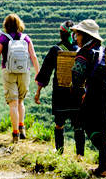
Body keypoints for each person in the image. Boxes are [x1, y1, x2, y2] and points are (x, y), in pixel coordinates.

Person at [70, 19, 106, 176]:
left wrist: (78, 91)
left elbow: (77, 76)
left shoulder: (85, 52)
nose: (75, 38)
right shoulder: (103, 51)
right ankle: (102, 169)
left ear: (84, 36)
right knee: (102, 128)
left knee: (87, 125)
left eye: (77, 35)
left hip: (94, 94)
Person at [34, 21, 86, 156]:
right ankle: (80, 155)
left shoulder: (56, 50)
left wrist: (38, 92)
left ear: (61, 34)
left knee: (59, 123)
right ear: (74, 35)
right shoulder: (81, 51)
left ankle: (59, 152)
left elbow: (46, 71)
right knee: (78, 125)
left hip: (60, 93)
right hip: (77, 92)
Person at [0, 14, 40, 143]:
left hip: (9, 71)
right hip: (24, 72)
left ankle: (15, 134)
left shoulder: (3, 38)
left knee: (13, 102)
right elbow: (33, 57)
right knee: (20, 101)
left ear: (6, 25)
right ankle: (22, 128)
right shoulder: (26, 38)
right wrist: (37, 73)